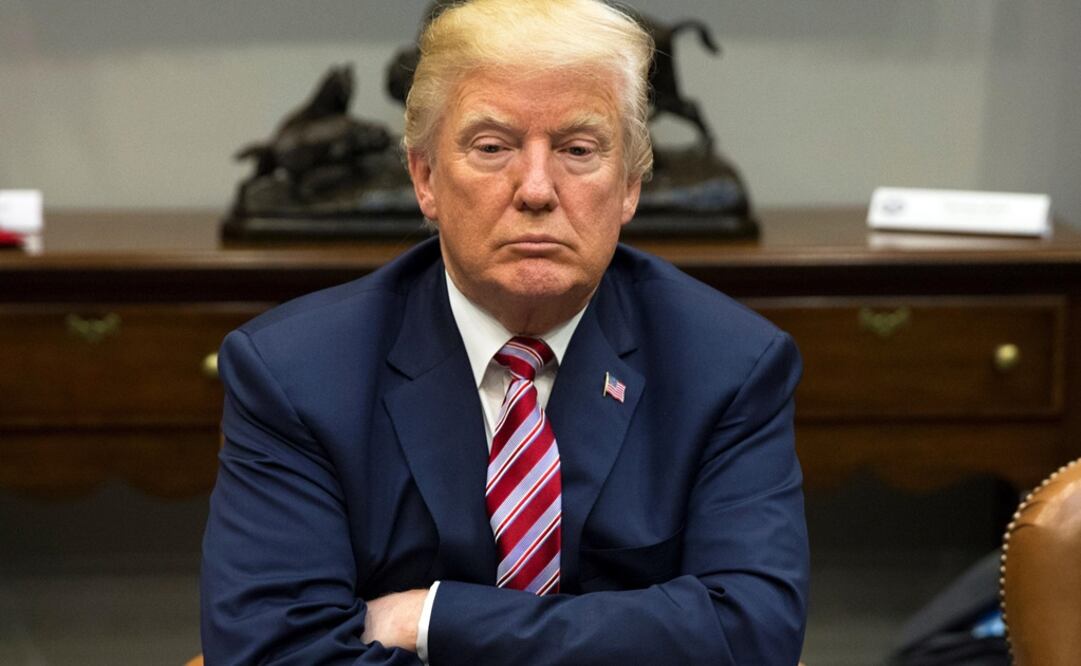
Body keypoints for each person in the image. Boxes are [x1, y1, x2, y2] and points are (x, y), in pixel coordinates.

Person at [200, 0, 809, 663]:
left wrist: (430, 619)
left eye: (578, 150)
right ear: (425, 177)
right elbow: (273, 652)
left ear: (631, 184)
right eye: (492, 148)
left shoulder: (729, 365)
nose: (537, 190)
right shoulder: (295, 372)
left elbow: (750, 636)